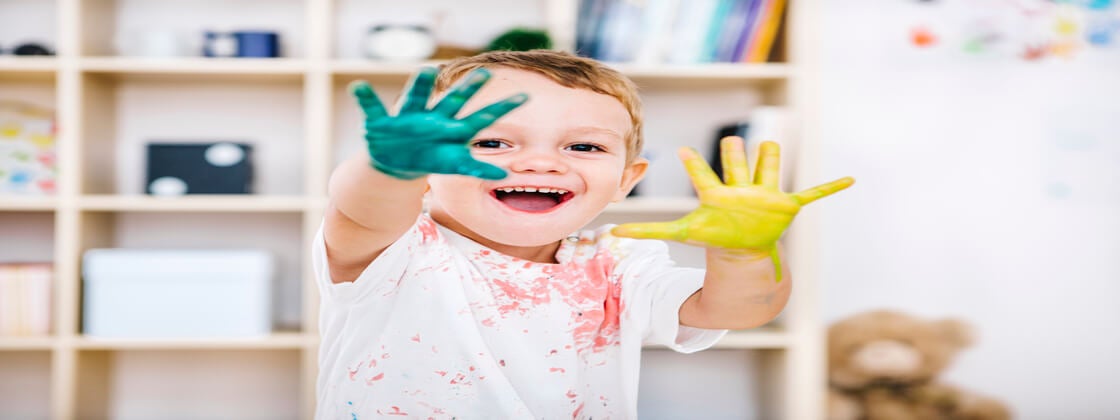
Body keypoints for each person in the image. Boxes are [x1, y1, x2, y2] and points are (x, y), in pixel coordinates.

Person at [314, 49, 852, 419]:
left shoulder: (618, 259)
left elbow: (735, 310)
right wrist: (390, 168)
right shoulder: (398, 247)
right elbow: (362, 209)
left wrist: (745, 251)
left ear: (626, 180)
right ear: (428, 169)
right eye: (493, 143)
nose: (540, 164)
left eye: (583, 147)